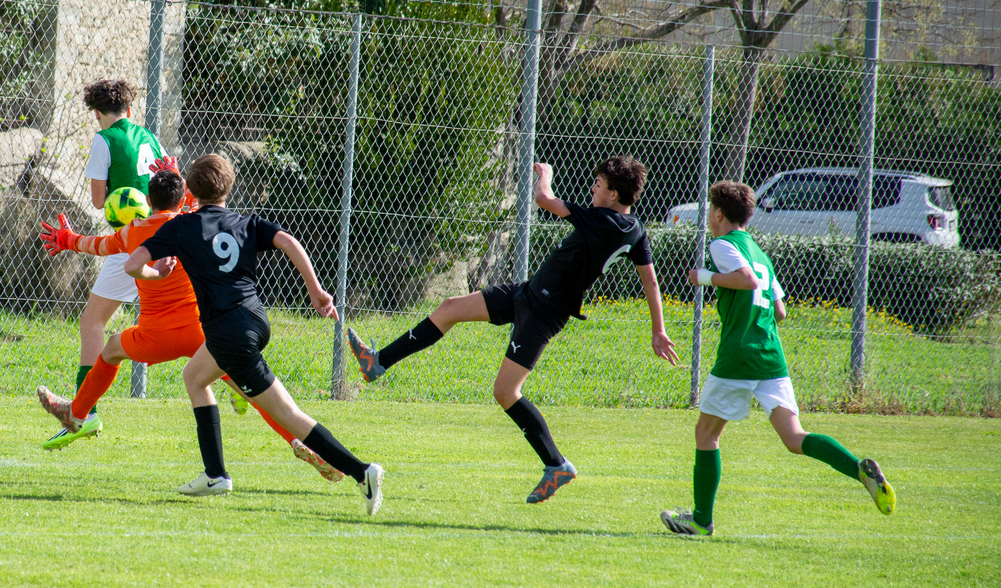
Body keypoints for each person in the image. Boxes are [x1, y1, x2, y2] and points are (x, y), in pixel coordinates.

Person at [347, 156, 679, 503]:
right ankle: (377, 362)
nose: (592, 189)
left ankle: (557, 465)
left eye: (598, 184)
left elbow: (544, 199)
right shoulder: (633, 229)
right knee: (450, 309)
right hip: (528, 293)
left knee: (506, 392)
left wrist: (546, 174)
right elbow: (651, 281)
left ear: (613, 194)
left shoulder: (603, 220)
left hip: (543, 314)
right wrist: (658, 329)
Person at [35, 169, 343, 481]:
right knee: (254, 390)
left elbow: (96, 245)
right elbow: (206, 203)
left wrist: (66, 239)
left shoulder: (132, 232)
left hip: (154, 336)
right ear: (182, 198)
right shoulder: (190, 223)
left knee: (112, 348)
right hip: (201, 333)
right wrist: (183, 179)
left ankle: (79, 414)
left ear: (148, 201)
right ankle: (300, 442)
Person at [124, 154, 385, 513]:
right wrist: (316, 290)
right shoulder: (246, 221)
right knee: (195, 376)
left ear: (190, 191)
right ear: (228, 187)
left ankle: (362, 472)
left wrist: (159, 274)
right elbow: (289, 242)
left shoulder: (181, 227)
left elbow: (132, 265)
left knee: (288, 414)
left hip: (229, 332)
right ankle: (214, 474)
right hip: (254, 319)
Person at [660, 180, 895, 536]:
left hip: (739, 355)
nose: (708, 216)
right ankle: (857, 469)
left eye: (710, 210)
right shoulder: (760, 252)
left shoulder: (722, 244)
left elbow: (747, 281)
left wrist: (704, 277)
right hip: (771, 355)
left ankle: (701, 520)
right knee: (795, 437)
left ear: (719, 214)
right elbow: (780, 311)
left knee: (706, 434)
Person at [71, 79, 168, 425]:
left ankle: (84, 412)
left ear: (97, 114)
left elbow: (99, 201)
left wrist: (118, 194)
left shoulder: (104, 139)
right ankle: (240, 379)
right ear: (128, 109)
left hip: (133, 239)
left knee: (92, 322)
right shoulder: (150, 136)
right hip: (166, 234)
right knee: (190, 326)